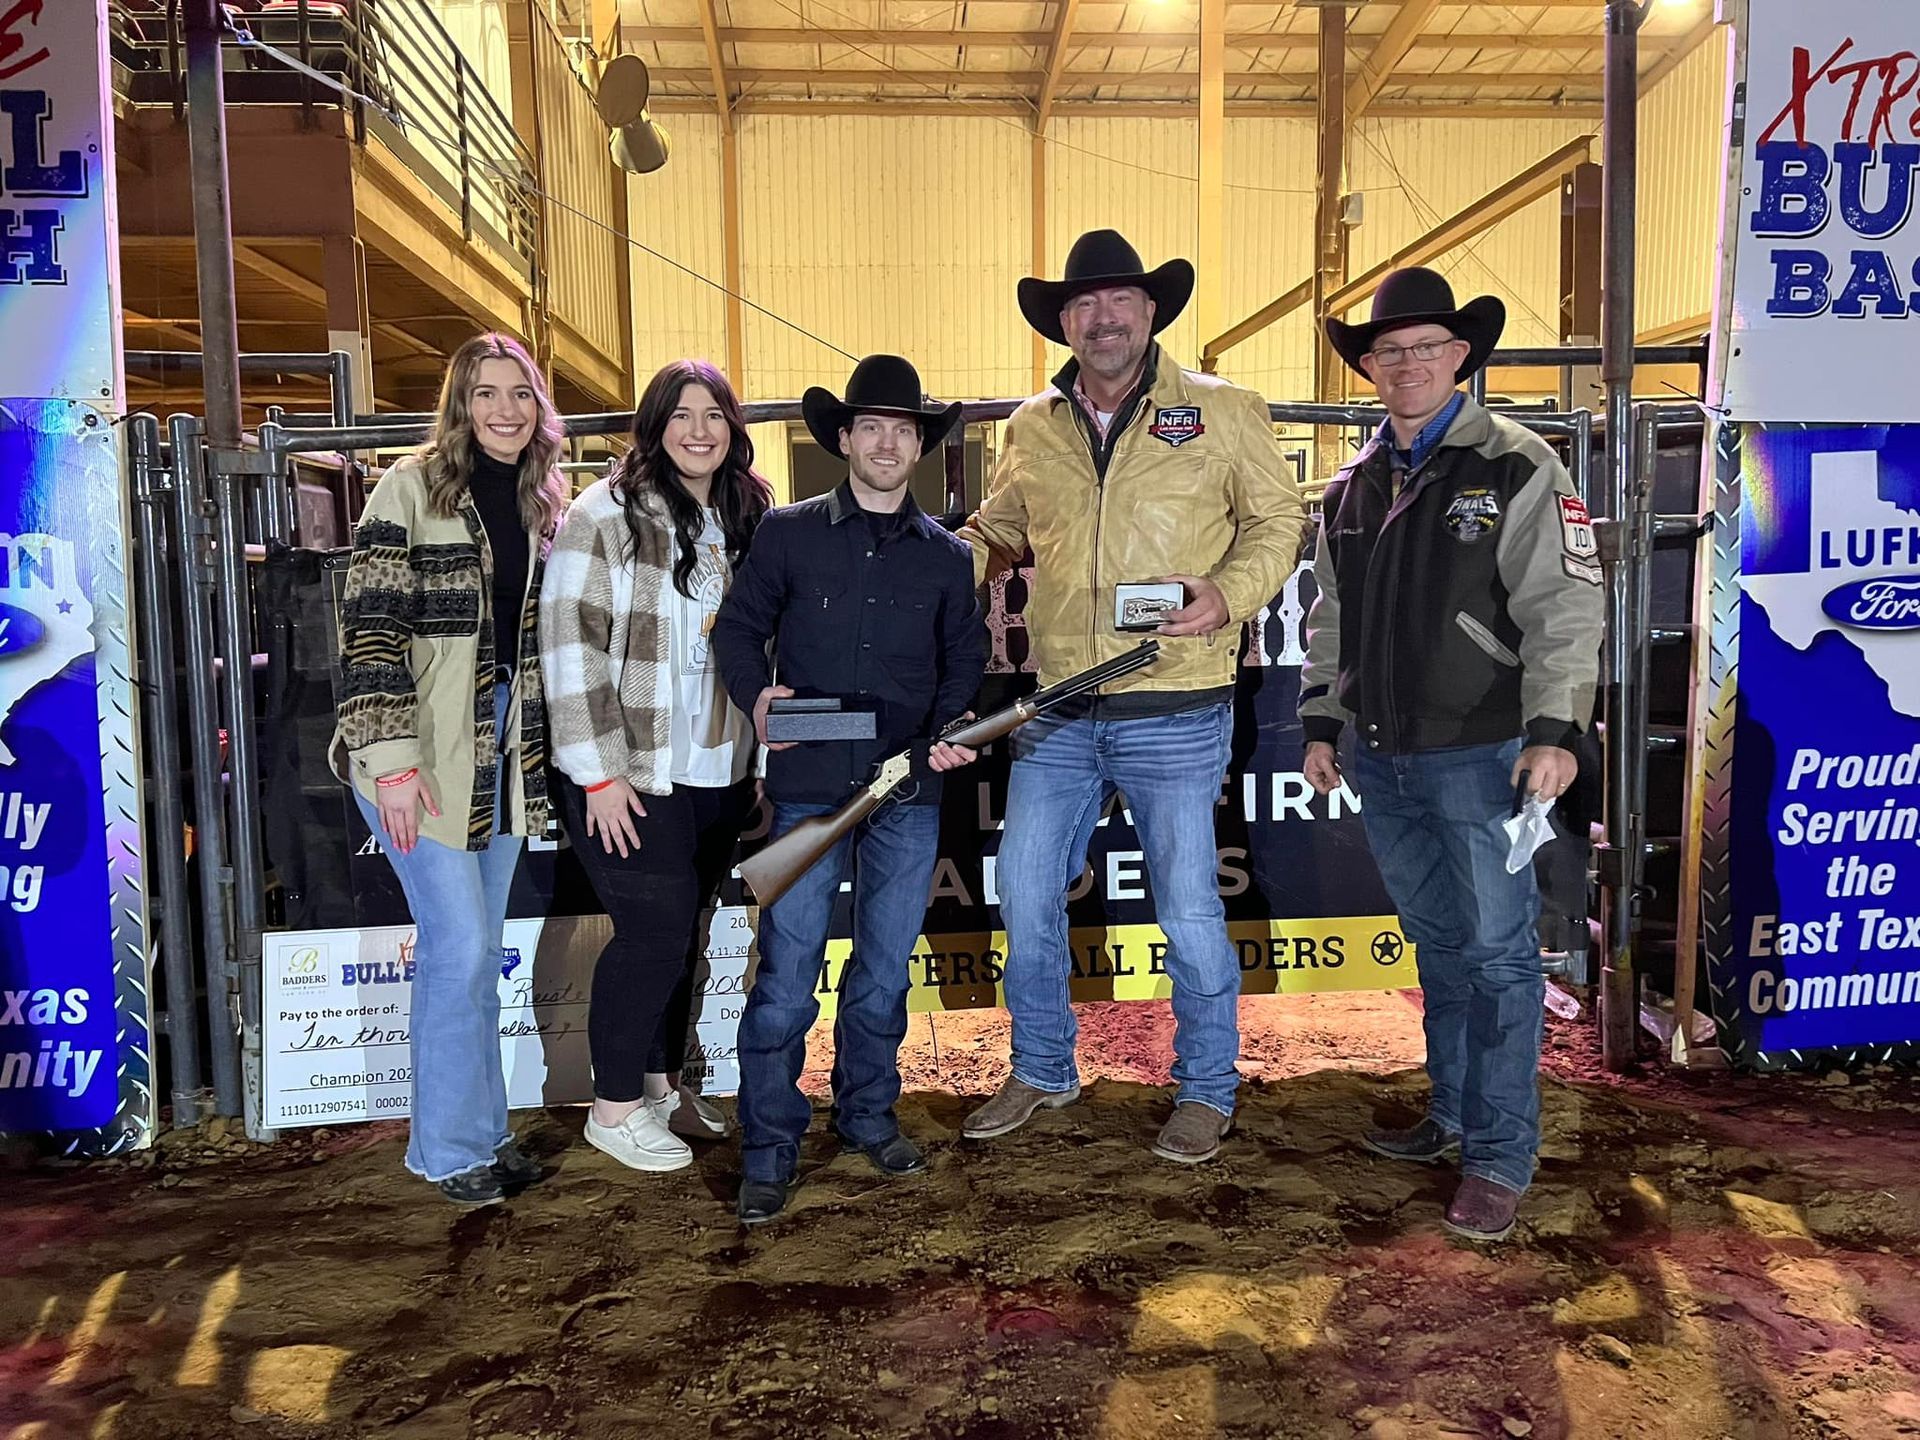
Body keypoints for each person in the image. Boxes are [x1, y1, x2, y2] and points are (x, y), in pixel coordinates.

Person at [957, 230, 1306, 1163]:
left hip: (1178, 706)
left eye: (1119, 301)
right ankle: (1041, 1066)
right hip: (1060, 705)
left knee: (1187, 908)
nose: (1102, 319)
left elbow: (1278, 520)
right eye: (1083, 305)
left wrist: (1229, 593)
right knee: (1025, 894)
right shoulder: (1032, 424)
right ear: (1063, 322)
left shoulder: (1223, 409)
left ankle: (1206, 1088)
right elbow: (1002, 528)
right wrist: (942, 559)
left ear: (1152, 311)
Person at [1299, 267, 1605, 1242]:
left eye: (1428, 347)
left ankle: (1501, 1156)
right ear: (1371, 367)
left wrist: (1555, 732)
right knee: (1440, 946)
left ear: (1461, 356)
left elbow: (1565, 604)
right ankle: (1455, 1115)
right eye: (1391, 352)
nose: (1410, 364)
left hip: (1488, 755)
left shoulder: (1518, 466)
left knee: (1503, 956)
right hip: (1385, 760)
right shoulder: (1351, 489)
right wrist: (1322, 721)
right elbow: (1331, 614)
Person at [712, 354, 987, 1226]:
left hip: (907, 793)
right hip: (806, 793)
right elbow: (740, 630)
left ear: (920, 447)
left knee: (880, 973)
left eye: (903, 430)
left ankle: (868, 1113)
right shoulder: (787, 533)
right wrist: (756, 699)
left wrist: (948, 736)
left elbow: (964, 661)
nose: (886, 443)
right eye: (871, 426)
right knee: (787, 974)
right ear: (843, 438)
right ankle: (770, 1142)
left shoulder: (947, 557)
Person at [330, 332, 567, 1208]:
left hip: (500, 755)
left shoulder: (547, 500)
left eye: (520, 394)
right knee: (458, 949)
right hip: (419, 752)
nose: (505, 410)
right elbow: (370, 631)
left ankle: (482, 1134)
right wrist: (390, 763)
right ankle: (445, 1151)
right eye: (486, 394)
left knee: (473, 956)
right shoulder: (410, 486)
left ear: (539, 407)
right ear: (460, 404)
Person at [540, 360, 773, 1174]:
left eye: (714, 414)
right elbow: (568, 650)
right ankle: (612, 1111)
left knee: (687, 936)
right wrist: (598, 776)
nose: (699, 430)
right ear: (654, 424)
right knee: (654, 935)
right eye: (681, 414)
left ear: (733, 429)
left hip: (721, 767)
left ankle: (660, 1087)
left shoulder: (744, 514)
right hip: (633, 770)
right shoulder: (600, 513)